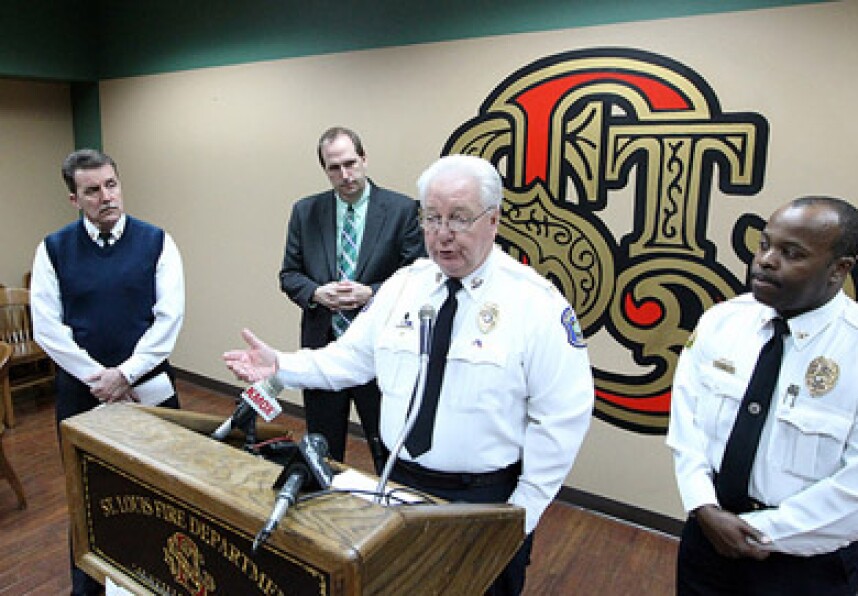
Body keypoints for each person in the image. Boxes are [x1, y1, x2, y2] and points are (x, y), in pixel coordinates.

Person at [227, 154, 593, 595]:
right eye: (432, 218)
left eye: (459, 219)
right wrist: (282, 366)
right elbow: (349, 360)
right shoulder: (405, 285)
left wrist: (521, 515)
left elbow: (562, 418)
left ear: (493, 220)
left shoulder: (535, 303)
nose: (442, 235)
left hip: (483, 501)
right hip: (399, 486)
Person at [667, 196, 858, 595]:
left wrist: (757, 532)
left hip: (804, 564)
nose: (765, 260)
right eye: (765, 244)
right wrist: (703, 506)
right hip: (708, 538)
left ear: (840, 269)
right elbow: (687, 425)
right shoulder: (721, 323)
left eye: (791, 253)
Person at [31, 148, 185, 596]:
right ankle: (89, 587)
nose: (106, 197)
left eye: (111, 185)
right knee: (90, 495)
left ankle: (162, 580)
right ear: (74, 199)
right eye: (92, 191)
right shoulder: (53, 249)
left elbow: (168, 318)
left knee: (163, 491)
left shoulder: (158, 241)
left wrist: (127, 375)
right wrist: (100, 377)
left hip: (150, 391)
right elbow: (47, 326)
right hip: (84, 396)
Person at [279, 126, 424, 473]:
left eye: (350, 163)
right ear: (324, 170)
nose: (345, 175)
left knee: (385, 445)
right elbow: (289, 274)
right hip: (324, 346)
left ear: (364, 158)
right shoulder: (305, 212)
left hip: (381, 352)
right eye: (334, 168)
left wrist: (372, 293)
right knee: (323, 450)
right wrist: (315, 292)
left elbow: (418, 277)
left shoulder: (402, 210)